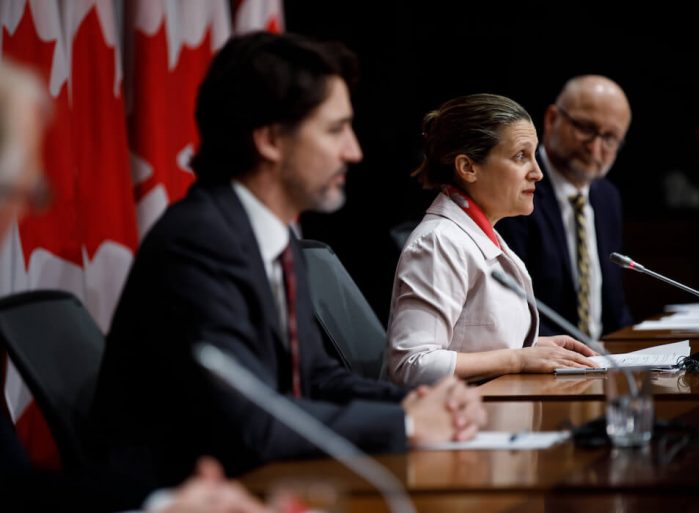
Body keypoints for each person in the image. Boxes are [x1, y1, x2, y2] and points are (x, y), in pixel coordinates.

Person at [90, 31, 486, 488]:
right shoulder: (199, 242)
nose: (354, 151)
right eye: (335, 130)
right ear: (272, 140)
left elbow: (313, 377)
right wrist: (405, 425)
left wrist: (420, 401)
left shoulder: (273, 235)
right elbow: (248, 419)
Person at [0, 59, 270, 512]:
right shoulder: (199, 237)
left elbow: (13, 489)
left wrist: (164, 503)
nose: (22, 215)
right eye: (17, 191)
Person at [387, 93, 597, 386]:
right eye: (520, 156)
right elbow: (411, 364)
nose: (537, 173)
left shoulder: (483, 232)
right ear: (468, 167)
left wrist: (531, 348)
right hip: (457, 424)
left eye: (535, 155)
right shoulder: (438, 242)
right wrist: (517, 358)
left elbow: (472, 342)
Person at [495, 75, 633, 340]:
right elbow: (510, 309)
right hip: (545, 360)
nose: (594, 148)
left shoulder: (607, 197)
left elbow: (615, 308)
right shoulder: (516, 189)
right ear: (551, 119)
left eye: (610, 138)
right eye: (585, 128)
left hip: (605, 361)